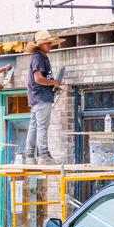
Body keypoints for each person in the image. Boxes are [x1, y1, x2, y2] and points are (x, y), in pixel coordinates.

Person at [24, 30, 65, 165]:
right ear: (40, 45)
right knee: (41, 126)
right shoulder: (39, 58)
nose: (50, 45)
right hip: (41, 97)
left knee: (34, 126)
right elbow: (39, 79)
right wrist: (54, 82)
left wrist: (53, 84)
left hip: (37, 97)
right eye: (47, 43)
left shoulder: (39, 57)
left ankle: (29, 155)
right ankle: (43, 155)